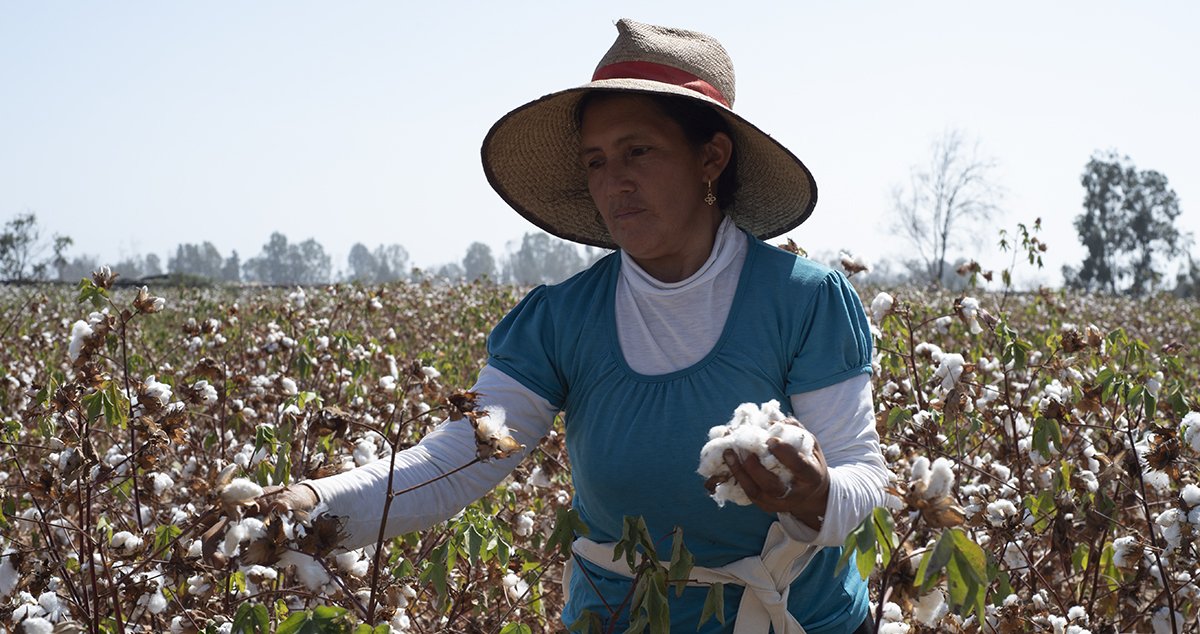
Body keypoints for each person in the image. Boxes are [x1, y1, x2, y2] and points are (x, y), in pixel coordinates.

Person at [271, 19, 890, 633]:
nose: (613, 181)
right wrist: (310, 509)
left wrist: (818, 495)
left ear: (711, 157)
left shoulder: (801, 300)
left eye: (638, 151)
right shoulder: (561, 319)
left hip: (799, 620)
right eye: (596, 161)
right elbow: (455, 459)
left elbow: (862, 473)